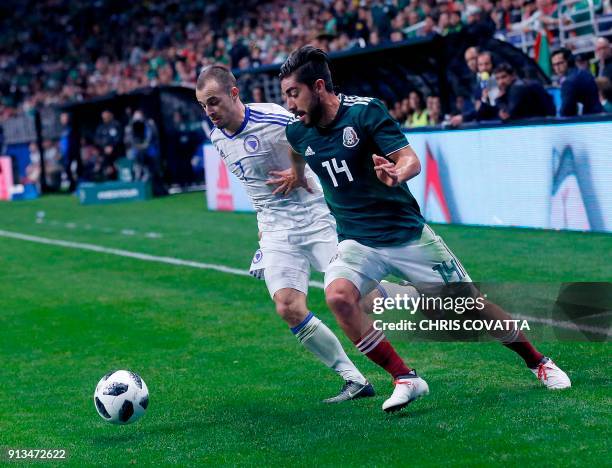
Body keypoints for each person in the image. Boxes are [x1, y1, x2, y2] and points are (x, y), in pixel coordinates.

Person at [277, 46, 570, 413]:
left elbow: (409, 158)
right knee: (337, 297)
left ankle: (538, 361)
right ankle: (405, 378)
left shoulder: (365, 113)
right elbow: (298, 151)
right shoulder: (297, 132)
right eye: (285, 95)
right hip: (356, 241)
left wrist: (399, 172)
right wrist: (296, 174)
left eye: (293, 93)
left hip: (405, 235)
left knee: (469, 308)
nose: (288, 103)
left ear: (318, 87)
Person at [194, 65, 414, 403]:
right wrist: (263, 236)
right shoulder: (217, 137)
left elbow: (315, 140)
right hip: (276, 230)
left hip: (315, 217)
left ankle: (411, 296)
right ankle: (354, 379)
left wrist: (301, 172)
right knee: (287, 306)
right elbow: (255, 189)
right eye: (203, 105)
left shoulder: (273, 118)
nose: (209, 112)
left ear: (234, 94)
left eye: (214, 102)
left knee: (364, 299)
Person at [484, 62, 556, 120]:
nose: (501, 82)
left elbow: (507, 115)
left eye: (504, 77)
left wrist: (498, 99)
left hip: (536, 125)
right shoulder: (513, 87)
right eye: (497, 79)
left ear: (513, 76)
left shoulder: (517, 88)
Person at [552, 48, 604, 117]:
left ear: (569, 62)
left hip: (586, 121)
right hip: (598, 117)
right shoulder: (586, 74)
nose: (557, 68)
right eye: (554, 65)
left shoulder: (568, 82)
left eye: (560, 63)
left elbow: (565, 112)